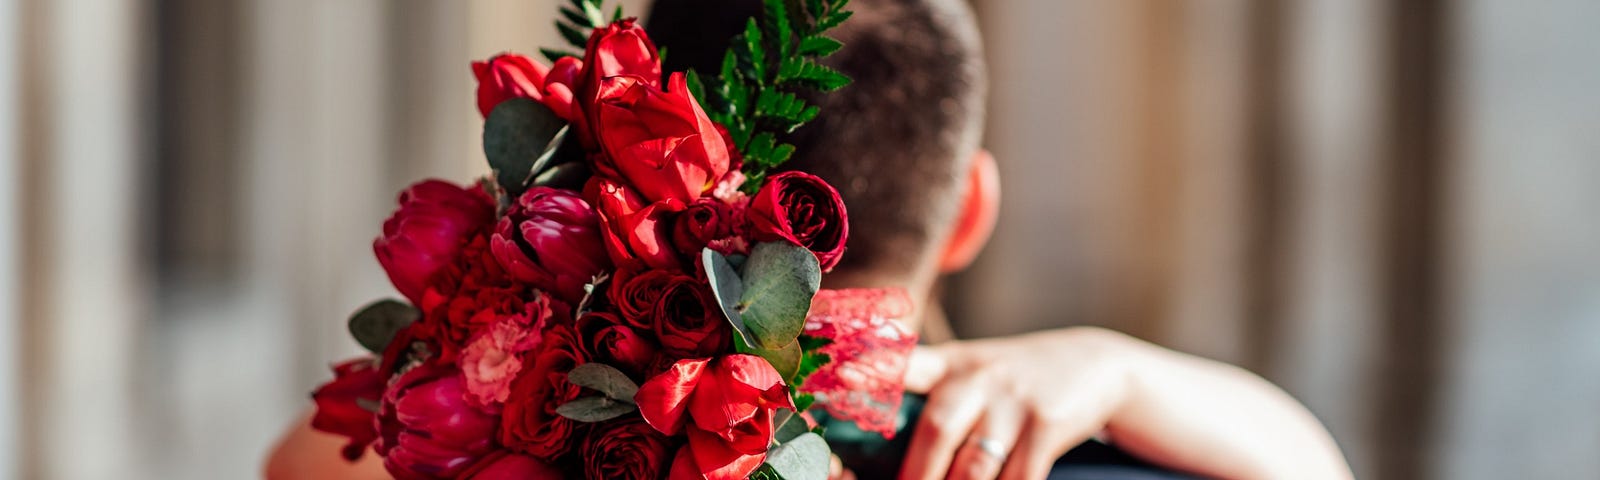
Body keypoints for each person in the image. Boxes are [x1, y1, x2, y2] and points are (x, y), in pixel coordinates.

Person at [267, 0, 1355, 478]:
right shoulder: (1143, 458)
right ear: (972, 208)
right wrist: (1121, 366)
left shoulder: (506, 450)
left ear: (615, 163)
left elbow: (306, 462)